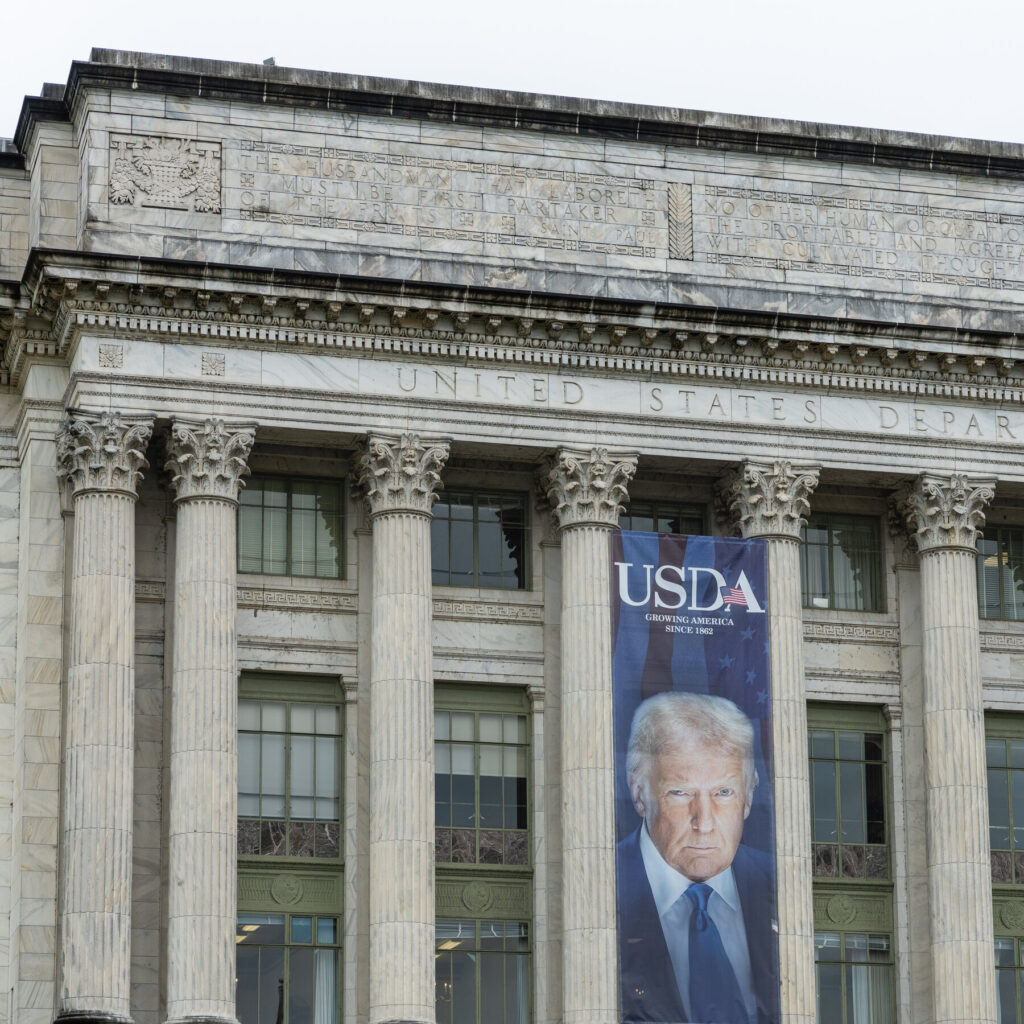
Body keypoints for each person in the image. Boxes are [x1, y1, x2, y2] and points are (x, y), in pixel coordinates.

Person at [617, 691, 779, 1024]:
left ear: (749, 796)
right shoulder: (604, 880)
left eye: (723, 792)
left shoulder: (777, 883)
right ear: (639, 794)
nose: (703, 822)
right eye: (680, 792)